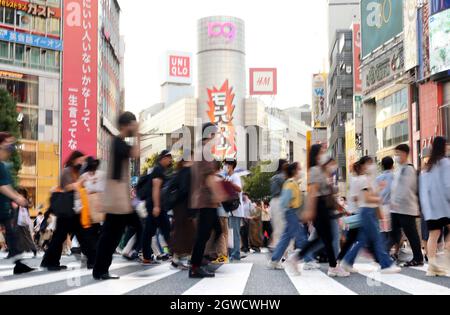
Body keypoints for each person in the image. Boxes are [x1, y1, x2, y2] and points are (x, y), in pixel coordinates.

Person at [92, 111, 140, 280]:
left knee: (111, 235)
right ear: (126, 125)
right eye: (133, 124)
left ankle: (100, 269)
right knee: (111, 236)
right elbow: (135, 153)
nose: (135, 127)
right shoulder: (118, 142)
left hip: (118, 198)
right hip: (117, 199)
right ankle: (100, 269)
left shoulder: (117, 142)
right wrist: (139, 135)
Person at [290, 148, 349, 277]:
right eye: (322, 152)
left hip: (324, 207)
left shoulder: (320, 170)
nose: (324, 154)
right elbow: (312, 192)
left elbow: (327, 193)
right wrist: (310, 210)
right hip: (319, 207)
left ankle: (299, 257)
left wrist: (339, 207)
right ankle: (331, 266)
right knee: (326, 238)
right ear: (316, 155)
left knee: (324, 239)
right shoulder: (315, 170)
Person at [341, 156, 401, 274]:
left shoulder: (367, 179)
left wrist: (378, 191)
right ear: (363, 165)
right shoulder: (363, 179)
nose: (372, 166)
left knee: (363, 239)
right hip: (367, 211)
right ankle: (386, 264)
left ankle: (347, 261)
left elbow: (369, 195)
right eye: (369, 163)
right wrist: (379, 199)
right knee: (376, 239)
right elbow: (367, 198)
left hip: (368, 211)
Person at [41, 150, 97, 271]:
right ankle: (50, 262)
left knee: (83, 236)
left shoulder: (78, 172)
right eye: (80, 160)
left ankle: (92, 261)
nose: (82, 163)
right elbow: (67, 187)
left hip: (75, 210)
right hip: (66, 210)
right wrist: (79, 183)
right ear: (74, 159)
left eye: (83, 161)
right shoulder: (67, 171)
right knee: (60, 237)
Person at [189, 123, 226, 278]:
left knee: (216, 229)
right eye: (216, 134)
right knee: (203, 234)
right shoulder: (205, 152)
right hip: (206, 199)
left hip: (204, 199)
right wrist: (219, 194)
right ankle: (195, 266)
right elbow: (209, 177)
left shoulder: (201, 151)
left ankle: (202, 258)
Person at [0, 132, 34, 274]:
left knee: (12, 234)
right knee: (12, 233)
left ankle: (19, 264)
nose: (12, 147)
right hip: (3, 206)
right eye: (9, 143)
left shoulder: (3, 165)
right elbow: (2, 186)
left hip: (4, 207)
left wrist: (15, 198)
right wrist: (17, 198)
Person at [388, 144, 424, 267]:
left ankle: (418, 258)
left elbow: (407, 189)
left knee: (411, 234)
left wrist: (396, 202)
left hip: (406, 208)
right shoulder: (399, 169)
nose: (396, 156)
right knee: (394, 233)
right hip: (397, 208)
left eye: (398, 153)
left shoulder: (408, 169)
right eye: (395, 154)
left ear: (405, 154)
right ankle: (384, 255)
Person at [419, 137, 450, 276]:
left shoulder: (427, 167)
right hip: (444, 206)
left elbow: (423, 189)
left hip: (430, 209)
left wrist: (425, 208)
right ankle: (446, 257)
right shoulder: (444, 163)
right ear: (443, 147)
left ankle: (432, 266)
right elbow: (448, 185)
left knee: (433, 234)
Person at [268, 162, 307, 273]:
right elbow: (284, 202)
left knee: (286, 238)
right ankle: (299, 260)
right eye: (299, 169)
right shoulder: (290, 184)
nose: (301, 171)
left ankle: (274, 260)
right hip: (291, 213)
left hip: (291, 213)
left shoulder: (293, 183)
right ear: (295, 171)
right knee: (301, 238)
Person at [142, 150, 173, 265]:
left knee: (149, 231)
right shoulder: (158, 170)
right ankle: (175, 256)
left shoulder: (160, 170)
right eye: (169, 157)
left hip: (155, 205)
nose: (170, 160)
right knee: (166, 230)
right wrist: (156, 206)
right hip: (156, 206)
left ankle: (146, 257)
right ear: (163, 158)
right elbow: (156, 188)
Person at [170, 155, 196, 270]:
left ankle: (177, 259)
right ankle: (180, 259)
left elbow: (173, 187)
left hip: (178, 207)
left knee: (181, 233)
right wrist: (191, 210)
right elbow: (186, 191)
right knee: (187, 234)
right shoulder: (187, 172)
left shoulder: (178, 172)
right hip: (184, 207)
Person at [224, 159, 244, 261]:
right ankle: (232, 253)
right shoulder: (228, 177)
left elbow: (239, 189)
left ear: (231, 166)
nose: (224, 166)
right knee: (231, 232)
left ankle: (236, 254)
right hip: (230, 209)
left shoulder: (235, 177)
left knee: (234, 232)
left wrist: (229, 184)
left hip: (236, 209)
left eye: (225, 164)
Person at [269, 160, 288, 251]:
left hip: (275, 202)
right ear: (283, 165)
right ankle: (280, 252)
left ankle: (278, 250)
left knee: (278, 228)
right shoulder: (282, 177)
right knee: (282, 228)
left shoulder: (275, 177)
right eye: (286, 164)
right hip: (280, 202)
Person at [15, 187, 37, 257]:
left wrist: (28, 202)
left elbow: (30, 205)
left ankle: (34, 249)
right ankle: (18, 251)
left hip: (24, 222)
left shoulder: (25, 200)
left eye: (20, 193)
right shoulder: (18, 200)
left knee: (27, 236)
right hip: (18, 221)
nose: (19, 194)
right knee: (18, 236)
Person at [376, 156, 395, 237]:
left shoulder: (377, 178)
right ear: (392, 165)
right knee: (392, 232)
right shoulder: (394, 177)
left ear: (382, 166)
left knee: (382, 231)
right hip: (392, 208)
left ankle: (384, 247)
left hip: (380, 208)